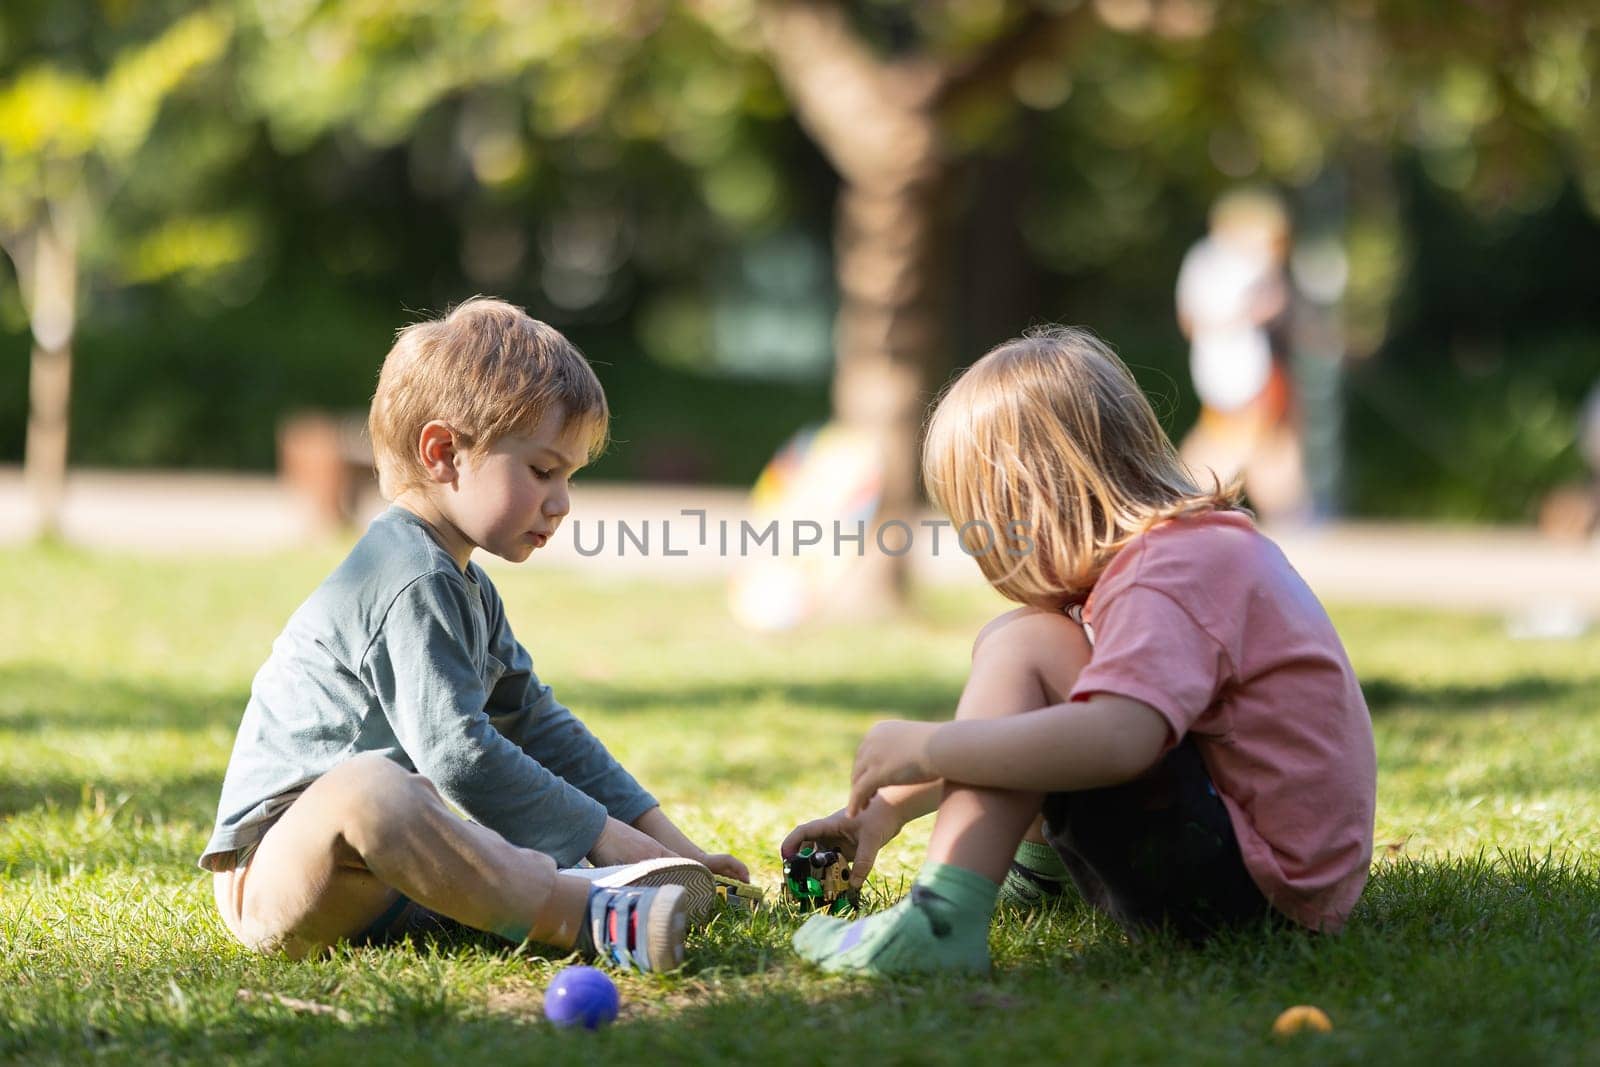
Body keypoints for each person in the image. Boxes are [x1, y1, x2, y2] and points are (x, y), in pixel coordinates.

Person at [784, 326, 1375, 976]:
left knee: (1026, 642)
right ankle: (1036, 876)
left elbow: (1119, 737)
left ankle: (942, 920)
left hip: (1248, 892)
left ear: (1030, 502)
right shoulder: (1191, 550)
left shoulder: (1163, 575)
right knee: (1040, 642)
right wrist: (886, 812)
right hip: (1278, 885)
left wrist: (927, 745)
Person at [200, 298, 747, 971]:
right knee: (373, 786)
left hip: (392, 880)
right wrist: (602, 838)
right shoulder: (406, 575)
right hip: (283, 873)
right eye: (542, 470)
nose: (561, 501)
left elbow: (538, 724)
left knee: (447, 804)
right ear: (442, 453)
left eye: (569, 477)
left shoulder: (467, 586)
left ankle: (576, 892)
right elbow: (459, 754)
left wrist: (670, 848)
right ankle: (589, 914)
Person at [1176, 188, 1308, 521]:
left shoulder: (1202, 260)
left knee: (1269, 442)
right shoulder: (1240, 262)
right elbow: (1272, 303)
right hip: (1244, 370)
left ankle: (1291, 512)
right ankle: (1183, 495)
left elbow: (1188, 320)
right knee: (1236, 443)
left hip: (1222, 368)